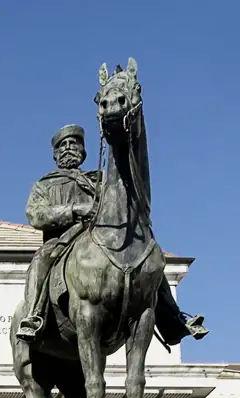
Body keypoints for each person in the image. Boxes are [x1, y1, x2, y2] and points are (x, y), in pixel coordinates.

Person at [16, 125, 208, 346]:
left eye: (74, 143)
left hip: (102, 235)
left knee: (148, 260)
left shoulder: (100, 180)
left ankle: (173, 319)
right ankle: (34, 315)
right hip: (63, 239)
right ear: (55, 154)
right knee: (40, 260)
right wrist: (75, 210)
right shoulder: (44, 185)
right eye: (62, 145)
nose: (68, 148)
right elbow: (36, 215)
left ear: (83, 150)